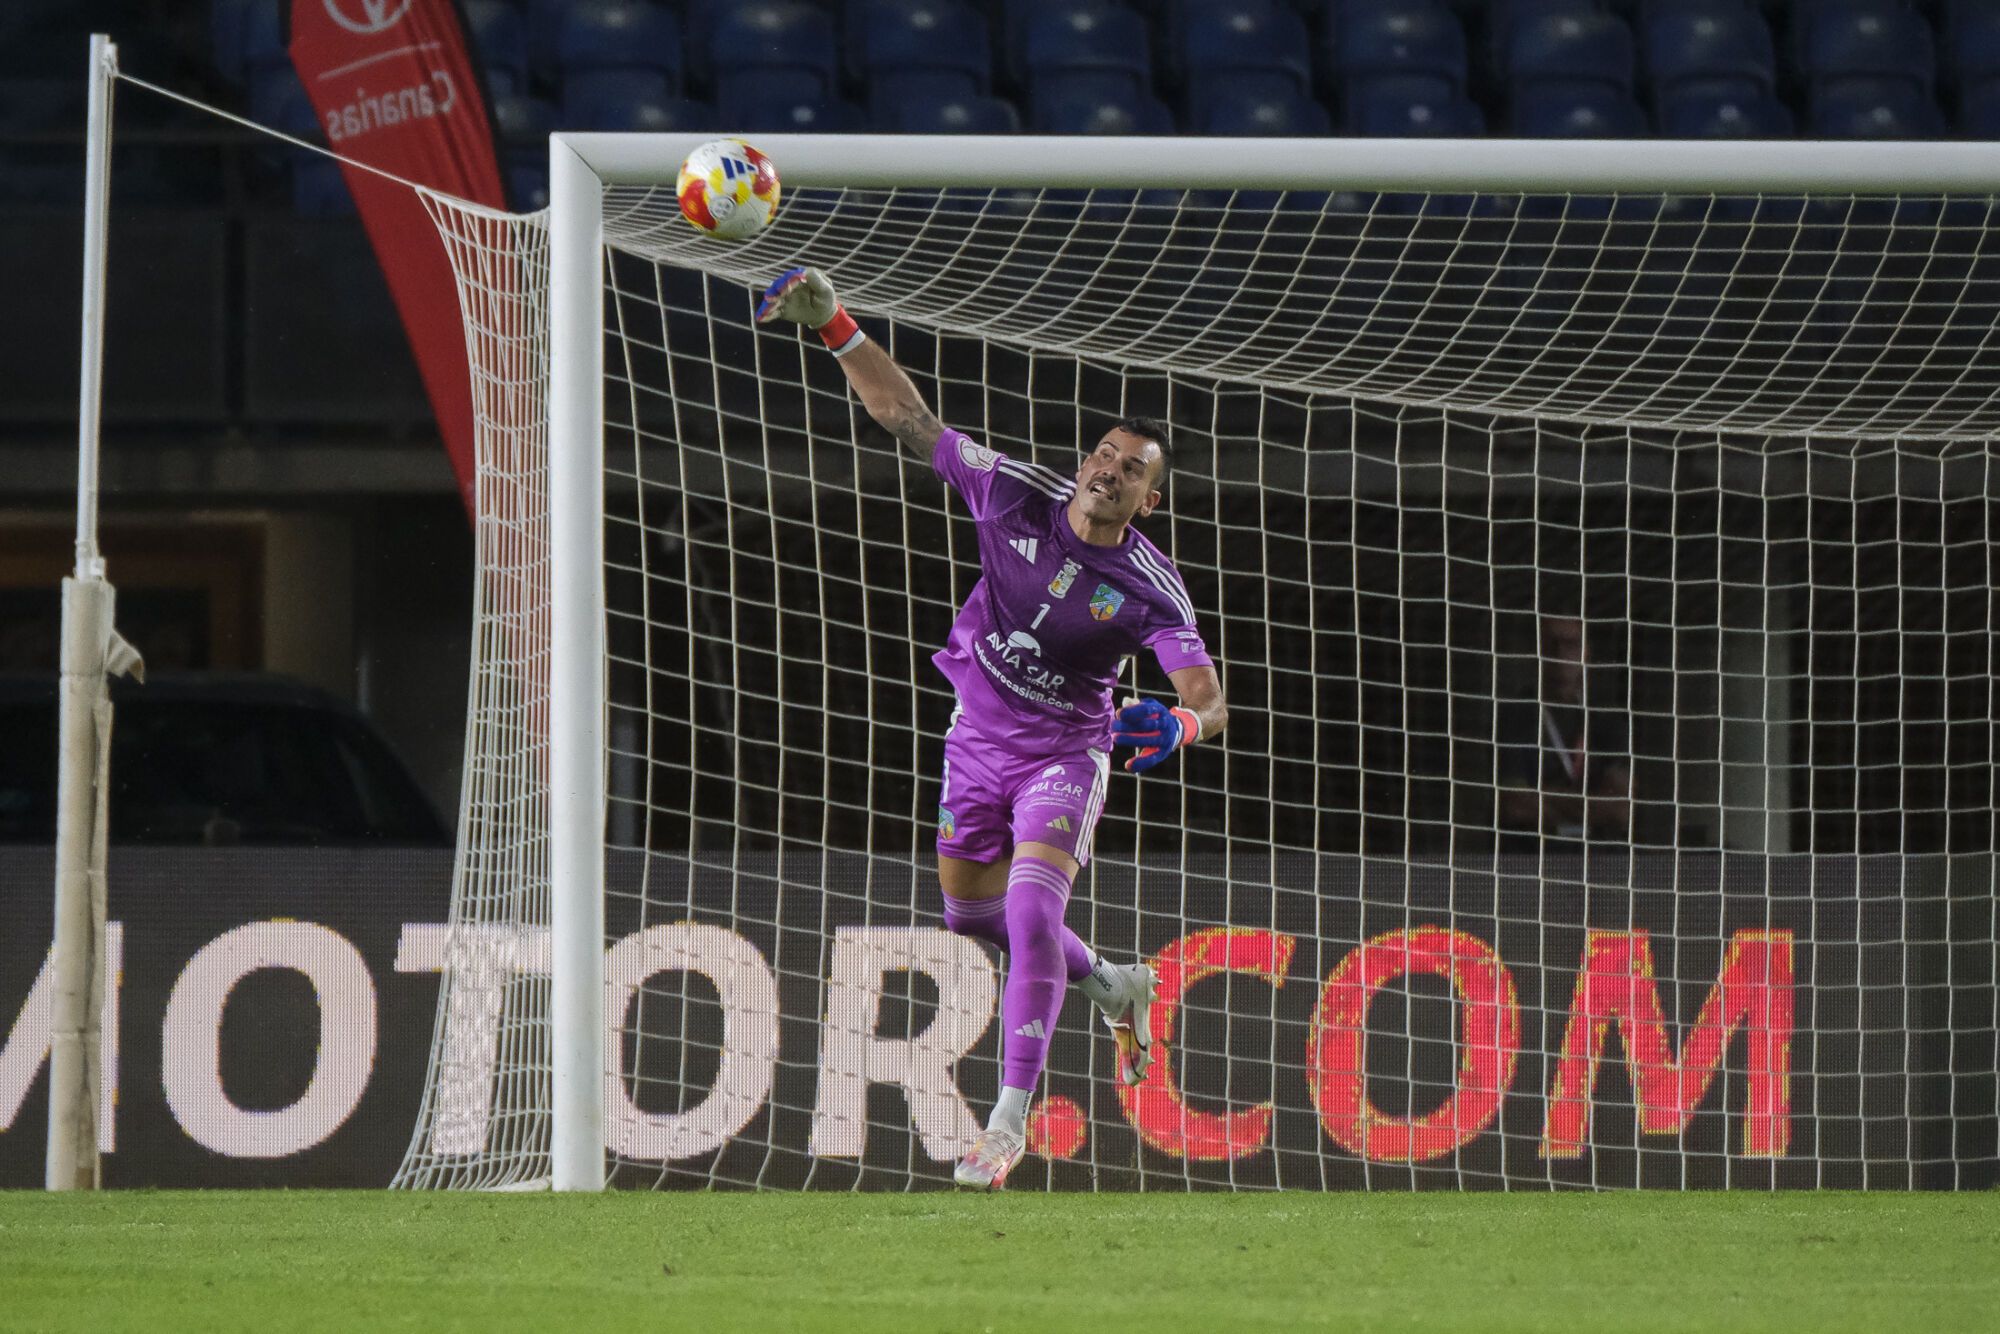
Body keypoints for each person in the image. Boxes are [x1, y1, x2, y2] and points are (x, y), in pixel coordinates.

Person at [758, 267, 1230, 1190]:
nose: (1110, 471)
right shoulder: (1014, 494)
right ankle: (1114, 986)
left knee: (1027, 911)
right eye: (1105, 454)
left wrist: (1179, 723)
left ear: (1149, 502)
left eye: (1134, 470)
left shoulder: (1149, 586)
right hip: (977, 737)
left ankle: (1005, 1127)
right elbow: (911, 421)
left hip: (1066, 752)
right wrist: (836, 325)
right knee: (970, 914)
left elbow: (1210, 697)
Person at [1496, 614, 1631, 845]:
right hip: (1531, 859)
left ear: (1586, 653)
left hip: (1600, 860)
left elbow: (1622, 808)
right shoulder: (1513, 716)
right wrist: (1594, 805)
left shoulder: (1606, 718)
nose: (1559, 656)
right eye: (1550, 645)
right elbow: (1515, 806)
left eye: (1570, 645)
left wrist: (1542, 800)